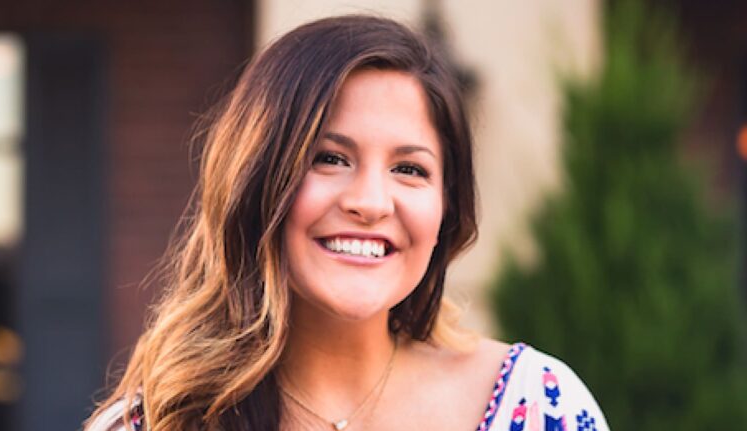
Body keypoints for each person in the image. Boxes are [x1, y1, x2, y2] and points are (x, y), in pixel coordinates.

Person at [85, 15, 610, 431]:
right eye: (329, 158)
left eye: (409, 169)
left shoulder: (543, 405)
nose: (371, 202)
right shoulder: (156, 424)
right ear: (256, 181)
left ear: (446, 208)